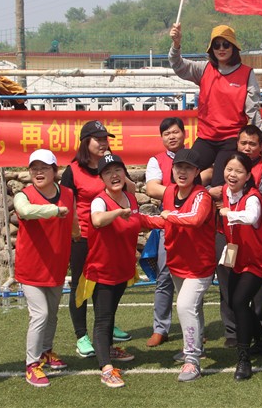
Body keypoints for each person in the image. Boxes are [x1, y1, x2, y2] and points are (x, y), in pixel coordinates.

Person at [139, 148, 216, 382]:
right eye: (179, 167)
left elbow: (195, 218)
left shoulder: (202, 196)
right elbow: (163, 221)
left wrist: (168, 215)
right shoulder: (170, 192)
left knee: (184, 306)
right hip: (177, 262)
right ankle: (196, 348)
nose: (182, 172)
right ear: (172, 170)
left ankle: (192, 361)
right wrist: (134, 219)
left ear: (197, 172)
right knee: (193, 307)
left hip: (199, 266)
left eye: (188, 168)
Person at [60, 120, 133, 358]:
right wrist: (75, 233)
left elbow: (129, 190)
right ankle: (81, 335)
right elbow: (68, 204)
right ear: (85, 142)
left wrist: (119, 174)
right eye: (98, 139)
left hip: (110, 237)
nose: (103, 143)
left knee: (108, 285)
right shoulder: (73, 171)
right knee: (80, 286)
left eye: (105, 139)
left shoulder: (111, 166)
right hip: (83, 237)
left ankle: (106, 326)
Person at [168, 22, 262, 186]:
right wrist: (176, 44)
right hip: (206, 138)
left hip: (231, 139)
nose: (221, 49)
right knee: (183, 172)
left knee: (220, 183)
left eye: (226, 44)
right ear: (211, 49)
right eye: (216, 45)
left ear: (234, 47)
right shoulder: (203, 69)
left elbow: (253, 111)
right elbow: (178, 65)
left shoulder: (246, 73)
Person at [13, 149, 75, 387]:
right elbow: (25, 212)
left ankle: (46, 351)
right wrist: (54, 211)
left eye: (44, 168)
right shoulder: (23, 195)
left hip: (56, 265)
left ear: (55, 171)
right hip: (31, 268)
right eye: (34, 168)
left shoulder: (68, 194)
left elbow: (74, 224)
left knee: (52, 313)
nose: (38, 172)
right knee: (40, 314)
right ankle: (31, 364)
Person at [214, 125, 262, 352]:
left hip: (254, 243)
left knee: (254, 294)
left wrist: (230, 212)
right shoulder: (226, 185)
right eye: (243, 143)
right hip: (230, 241)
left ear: (261, 147)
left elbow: (260, 206)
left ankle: (259, 335)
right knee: (230, 292)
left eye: (252, 143)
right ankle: (236, 332)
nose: (247, 147)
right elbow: (217, 190)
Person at [85, 154, 142, 388]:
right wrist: (118, 212)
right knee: (103, 318)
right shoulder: (99, 201)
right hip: (103, 270)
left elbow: (138, 222)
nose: (114, 175)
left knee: (110, 314)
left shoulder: (131, 198)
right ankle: (106, 369)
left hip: (122, 268)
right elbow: (98, 221)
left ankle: (108, 349)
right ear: (101, 179)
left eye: (118, 170)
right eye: (108, 172)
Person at [218, 152, 262, 380]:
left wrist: (229, 213)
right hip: (236, 256)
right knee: (233, 301)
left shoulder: (253, 197)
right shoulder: (225, 191)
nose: (232, 175)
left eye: (239, 171)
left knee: (240, 301)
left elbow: (251, 217)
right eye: (229, 169)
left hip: (257, 260)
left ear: (248, 175)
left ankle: (244, 359)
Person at [143, 117, 185, 347]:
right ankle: (160, 328)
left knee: (192, 277)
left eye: (175, 132)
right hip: (167, 224)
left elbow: (208, 176)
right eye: (166, 133)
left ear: (184, 134)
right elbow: (151, 188)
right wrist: (184, 192)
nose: (171, 136)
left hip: (194, 225)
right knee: (164, 277)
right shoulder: (156, 160)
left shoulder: (196, 155)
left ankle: (194, 327)